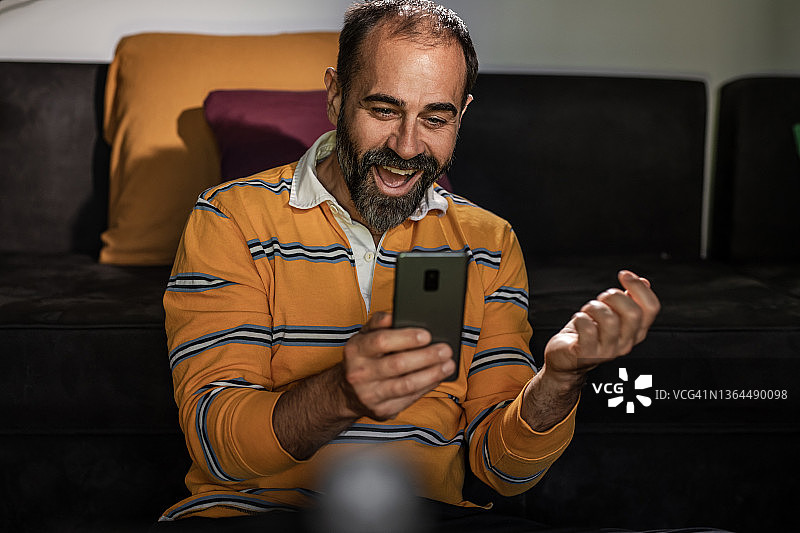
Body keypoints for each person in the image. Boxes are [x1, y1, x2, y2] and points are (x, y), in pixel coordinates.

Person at [157, 0, 661, 530]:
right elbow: (219, 447)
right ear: (335, 96)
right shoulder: (232, 217)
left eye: (435, 118)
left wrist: (561, 381)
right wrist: (343, 392)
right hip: (258, 514)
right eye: (383, 110)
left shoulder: (487, 241)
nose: (406, 146)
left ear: (461, 115)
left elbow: (503, 470)